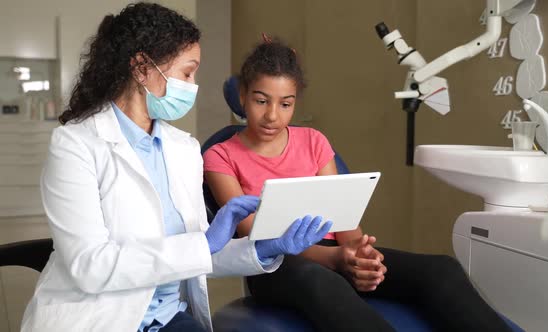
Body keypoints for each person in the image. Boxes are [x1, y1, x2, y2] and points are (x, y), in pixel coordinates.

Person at [21, 4, 331, 332]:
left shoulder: (183, 149)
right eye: (187, 72)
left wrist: (265, 247)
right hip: (99, 319)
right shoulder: (76, 145)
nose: (193, 84)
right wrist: (204, 243)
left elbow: (198, 255)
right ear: (142, 67)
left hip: (168, 317)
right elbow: (89, 267)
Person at [203, 37, 513, 332]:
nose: (272, 115)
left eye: (286, 104)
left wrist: (360, 253)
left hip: (336, 251)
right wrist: (336, 260)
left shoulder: (313, 141)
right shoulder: (220, 156)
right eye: (261, 101)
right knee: (322, 280)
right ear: (243, 94)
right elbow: (255, 236)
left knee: (441, 270)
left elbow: (341, 215)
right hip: (274, 264)